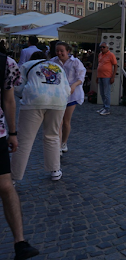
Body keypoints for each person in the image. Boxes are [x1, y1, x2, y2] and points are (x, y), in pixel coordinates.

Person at [0, 51, 40, 259]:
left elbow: (8, 100)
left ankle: (20, 243)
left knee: (6, 186)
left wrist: (13, 133)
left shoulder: (5, 63)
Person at [11, 51, 70, 183]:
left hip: (34, 101)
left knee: (24, 140)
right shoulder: (57, 66)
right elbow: (67, 88)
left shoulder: (27, 65)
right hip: (58, 101)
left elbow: (18, 87)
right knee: (53, 135)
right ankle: (55, 170)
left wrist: (23, 96)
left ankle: (14, 177)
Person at [51, 42, 86, 156]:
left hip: (71, 94)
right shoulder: (53, 61)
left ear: (68, 51)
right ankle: (58, 146)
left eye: (61, 51)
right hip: (57, 94)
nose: (59, 53)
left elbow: (81, 77)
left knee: (66, 121)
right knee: (59, 122)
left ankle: (64, 143)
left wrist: (74, 85)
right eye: (57, 51)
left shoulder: (76, 62)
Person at [96, 42, 117, 116]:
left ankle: (107, 108)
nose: (102, 48)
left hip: (107, 76)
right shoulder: (100, 55)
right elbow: (99, 65)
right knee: (102, 93)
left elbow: (115, 66)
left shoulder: (111, 55)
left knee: (106, 93)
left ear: (107, 48)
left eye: (103, 47)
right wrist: (97, 76)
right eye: (101, 47)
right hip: (100, 76)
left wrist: (113, 76)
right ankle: (104, 106)